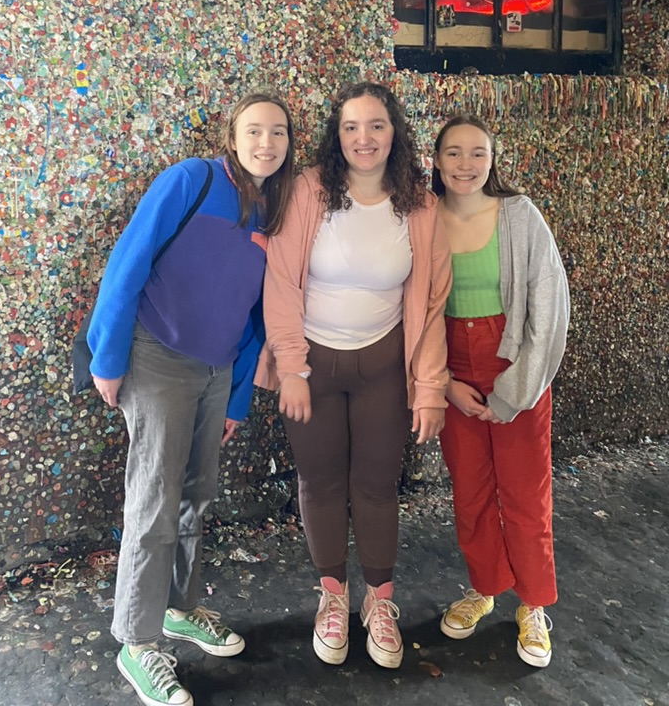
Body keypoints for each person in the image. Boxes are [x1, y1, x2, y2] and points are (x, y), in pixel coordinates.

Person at [87, 91, 294, 706]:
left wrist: (234, 399)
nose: (266, 143)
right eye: (254, 131)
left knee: (195, 495)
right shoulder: (191, 181)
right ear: (233, 137)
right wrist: (109, 357)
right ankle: (137, 641)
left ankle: (178, 608)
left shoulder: (272, 212)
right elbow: (128, 263)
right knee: (154, 501)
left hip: (213, 372)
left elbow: (257, 317)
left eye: (278, 133)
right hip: (156, 360)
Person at [255, 81, 451, 670]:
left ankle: (379, 603)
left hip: (383, 367)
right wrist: (290, 368)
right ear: (336, 137)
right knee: (319, 483)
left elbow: (433, 302)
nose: (364, 138)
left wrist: (431, 389)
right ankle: (333, 599)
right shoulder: (308, 190)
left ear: (396, 132)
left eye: (376, 126)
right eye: (351, 127)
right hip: (311, 364)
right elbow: (281, 284)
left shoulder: (421, 204)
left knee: (375, 484)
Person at [432, 114, 569, 669]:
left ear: (493, 160)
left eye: (477, 153)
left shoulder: (521, 216)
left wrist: (514, 390)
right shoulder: (421, 218)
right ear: (435, 160)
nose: (466, 164)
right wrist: (443, 384)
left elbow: (549, 310)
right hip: (450, 365)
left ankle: (533, 605)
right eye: (454, 153)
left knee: (525, 492)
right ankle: (483, 587)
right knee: (469, 488)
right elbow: (411, 310)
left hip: (514, 361)